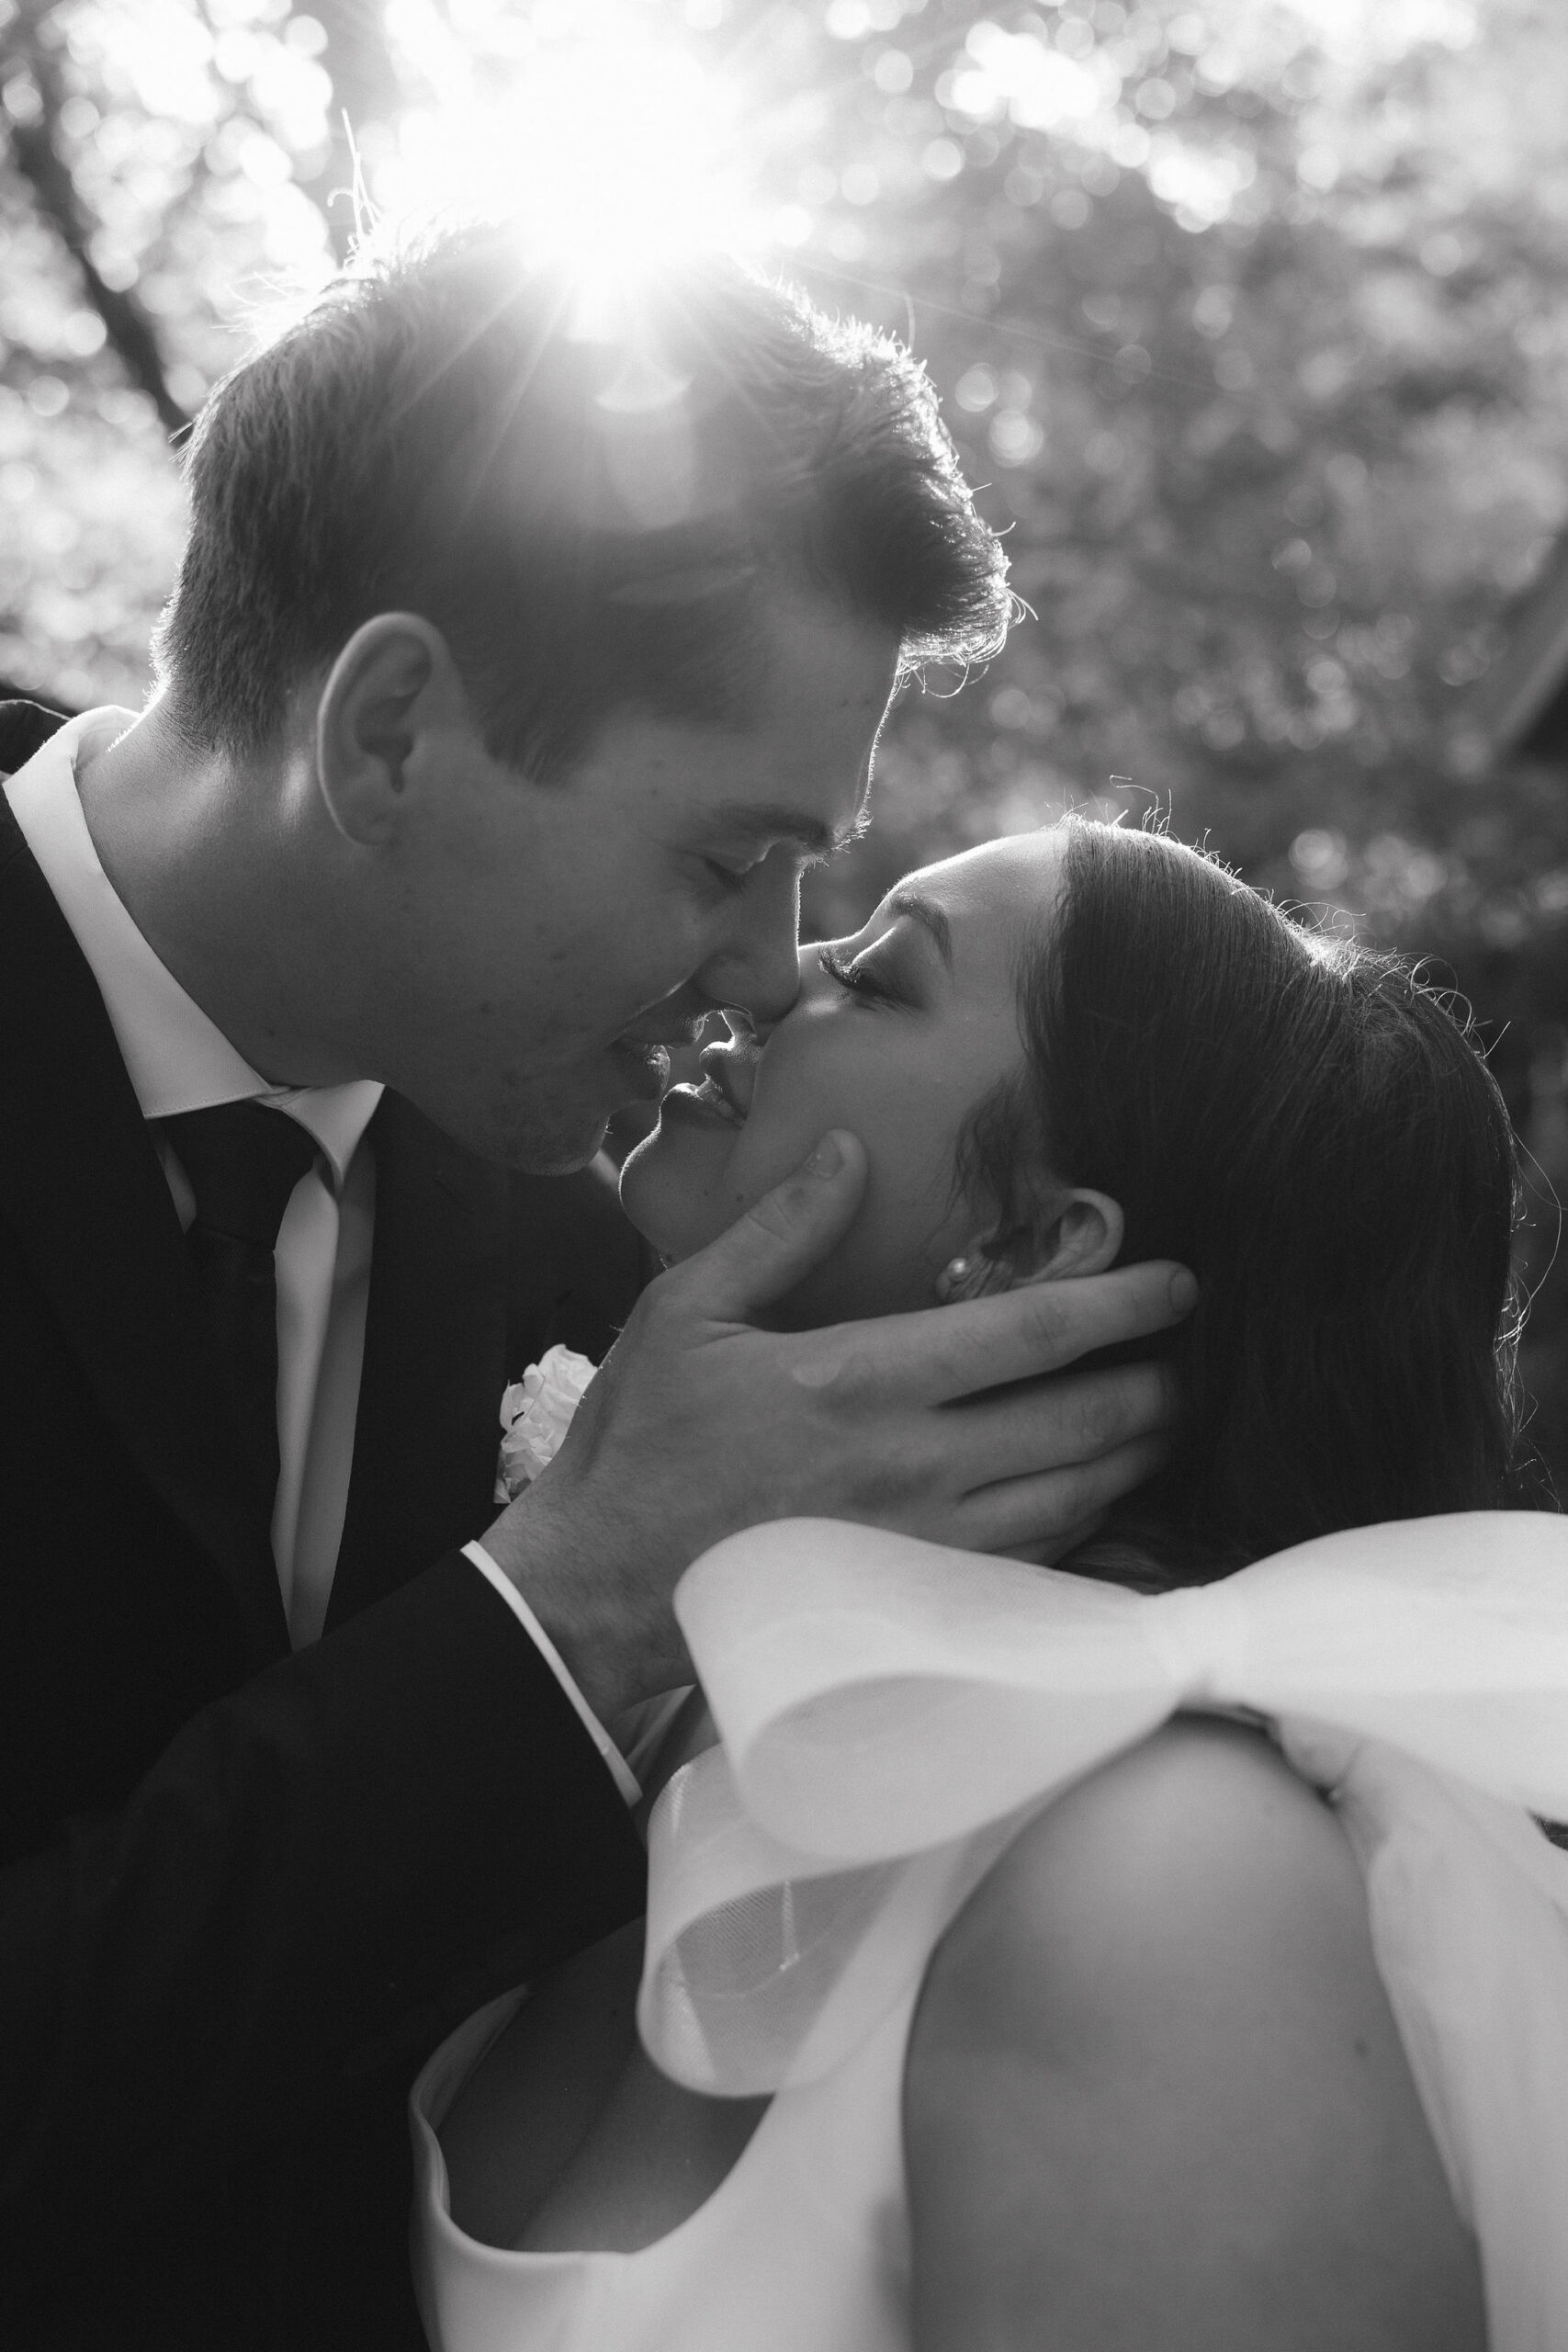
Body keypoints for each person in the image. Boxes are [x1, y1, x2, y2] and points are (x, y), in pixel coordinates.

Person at [0, 227, 1189, 2349]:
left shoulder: (611, 1226)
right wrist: (580, 1595)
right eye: (726, 858)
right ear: (388, 734)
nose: (762, 971)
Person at [416, 817, 1568, 2352]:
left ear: (1025, 1247)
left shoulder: (1170, 1888)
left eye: (878, 978)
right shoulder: (690, 1684)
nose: (774, 974)